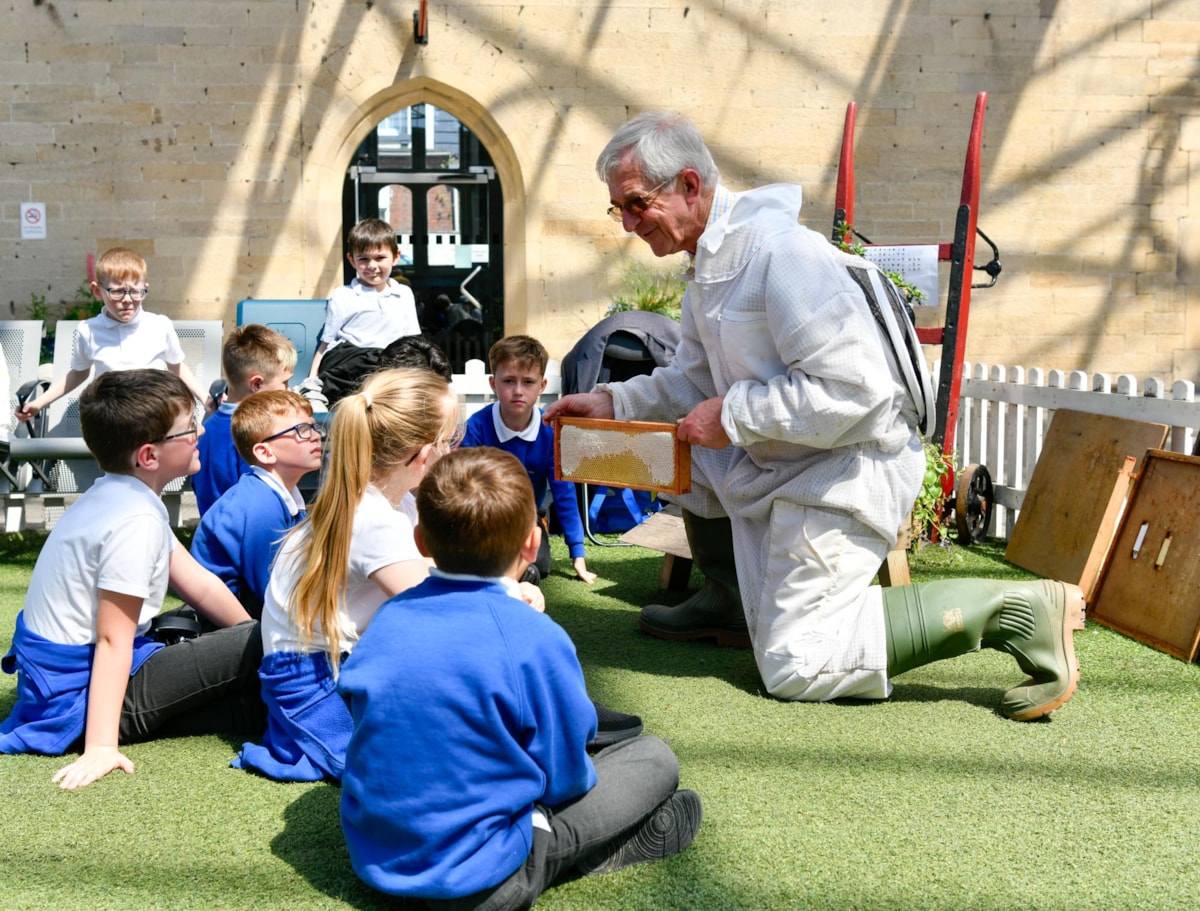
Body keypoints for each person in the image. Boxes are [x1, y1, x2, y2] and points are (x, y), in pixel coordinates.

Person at [544, 111, 1084, 721]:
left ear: (689, 185)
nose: (629, 224)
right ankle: (730, 598)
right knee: (670, 452)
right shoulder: (712, 265)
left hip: (843, 471)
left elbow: (858, 392)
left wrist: (737, 414)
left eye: (637, 204)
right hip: (786, 462)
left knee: (797, 663)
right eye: (620, 209)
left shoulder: (782, 256)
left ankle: (1015, 611)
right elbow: (694, 379)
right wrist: (615, 404)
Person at [338, 447, 701, 906]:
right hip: (485, 881)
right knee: (654, 758)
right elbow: (564, 779)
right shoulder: (533, 636)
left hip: (374, 858)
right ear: (533, 543)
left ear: (421, 541)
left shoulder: (384, 621)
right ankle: (574, 852)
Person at [0, 369, 263, 789]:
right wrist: (101, 746)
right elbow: (111, 639)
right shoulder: (133, 520)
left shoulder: (128, 493)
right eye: (186, 428)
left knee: (256, 624)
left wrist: (246, 635)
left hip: (97, 675)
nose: (199, 429)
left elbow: (201, 585)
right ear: (149, 457)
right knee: (272, 638)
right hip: (81, 698)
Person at [14, 247, 207, 423]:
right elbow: (79, 373)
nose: (127, 300)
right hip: (112, 413)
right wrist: (39, 403)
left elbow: (177, 367)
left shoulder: (159, 325)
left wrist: (205, 398)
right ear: (97, 291)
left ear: (145, 289)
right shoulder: (89, 331)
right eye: (117, 292)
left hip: (153, 408)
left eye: (136, 292)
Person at [462, 335, 596, 584]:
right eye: (509, 381)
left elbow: (564, 491)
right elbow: (461, 484)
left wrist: (577, 552)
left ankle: (529, 550)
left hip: (526, 515)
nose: (518, 391)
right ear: (493, 383)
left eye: (528, 382)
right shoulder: (477, 427)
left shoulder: (550, 433)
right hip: (483, 514)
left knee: (541, 565)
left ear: (542, 385)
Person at [191, 390, 324, 619]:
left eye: (313, 427)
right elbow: (279, 595)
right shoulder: (260, 508)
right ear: (265, 452)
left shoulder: (280, 494)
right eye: (301, 430)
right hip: (232, 628)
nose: (315, 436)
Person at [192, 324, 298, 515]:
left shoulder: (208, 429)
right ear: (256, 384)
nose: (289, 390)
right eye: (285, 383)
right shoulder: (253, 433)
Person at [305, 218, 421, 388]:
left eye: (380, 257)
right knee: (372, 363)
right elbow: (327, 342)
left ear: (396, 257)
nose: (372, 266)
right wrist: (312, 379)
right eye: (363, 259)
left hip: (388, 366)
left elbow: (412, 339)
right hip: (351, 364)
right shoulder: (344, 295)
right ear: (352, 260)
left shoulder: (403, 293)